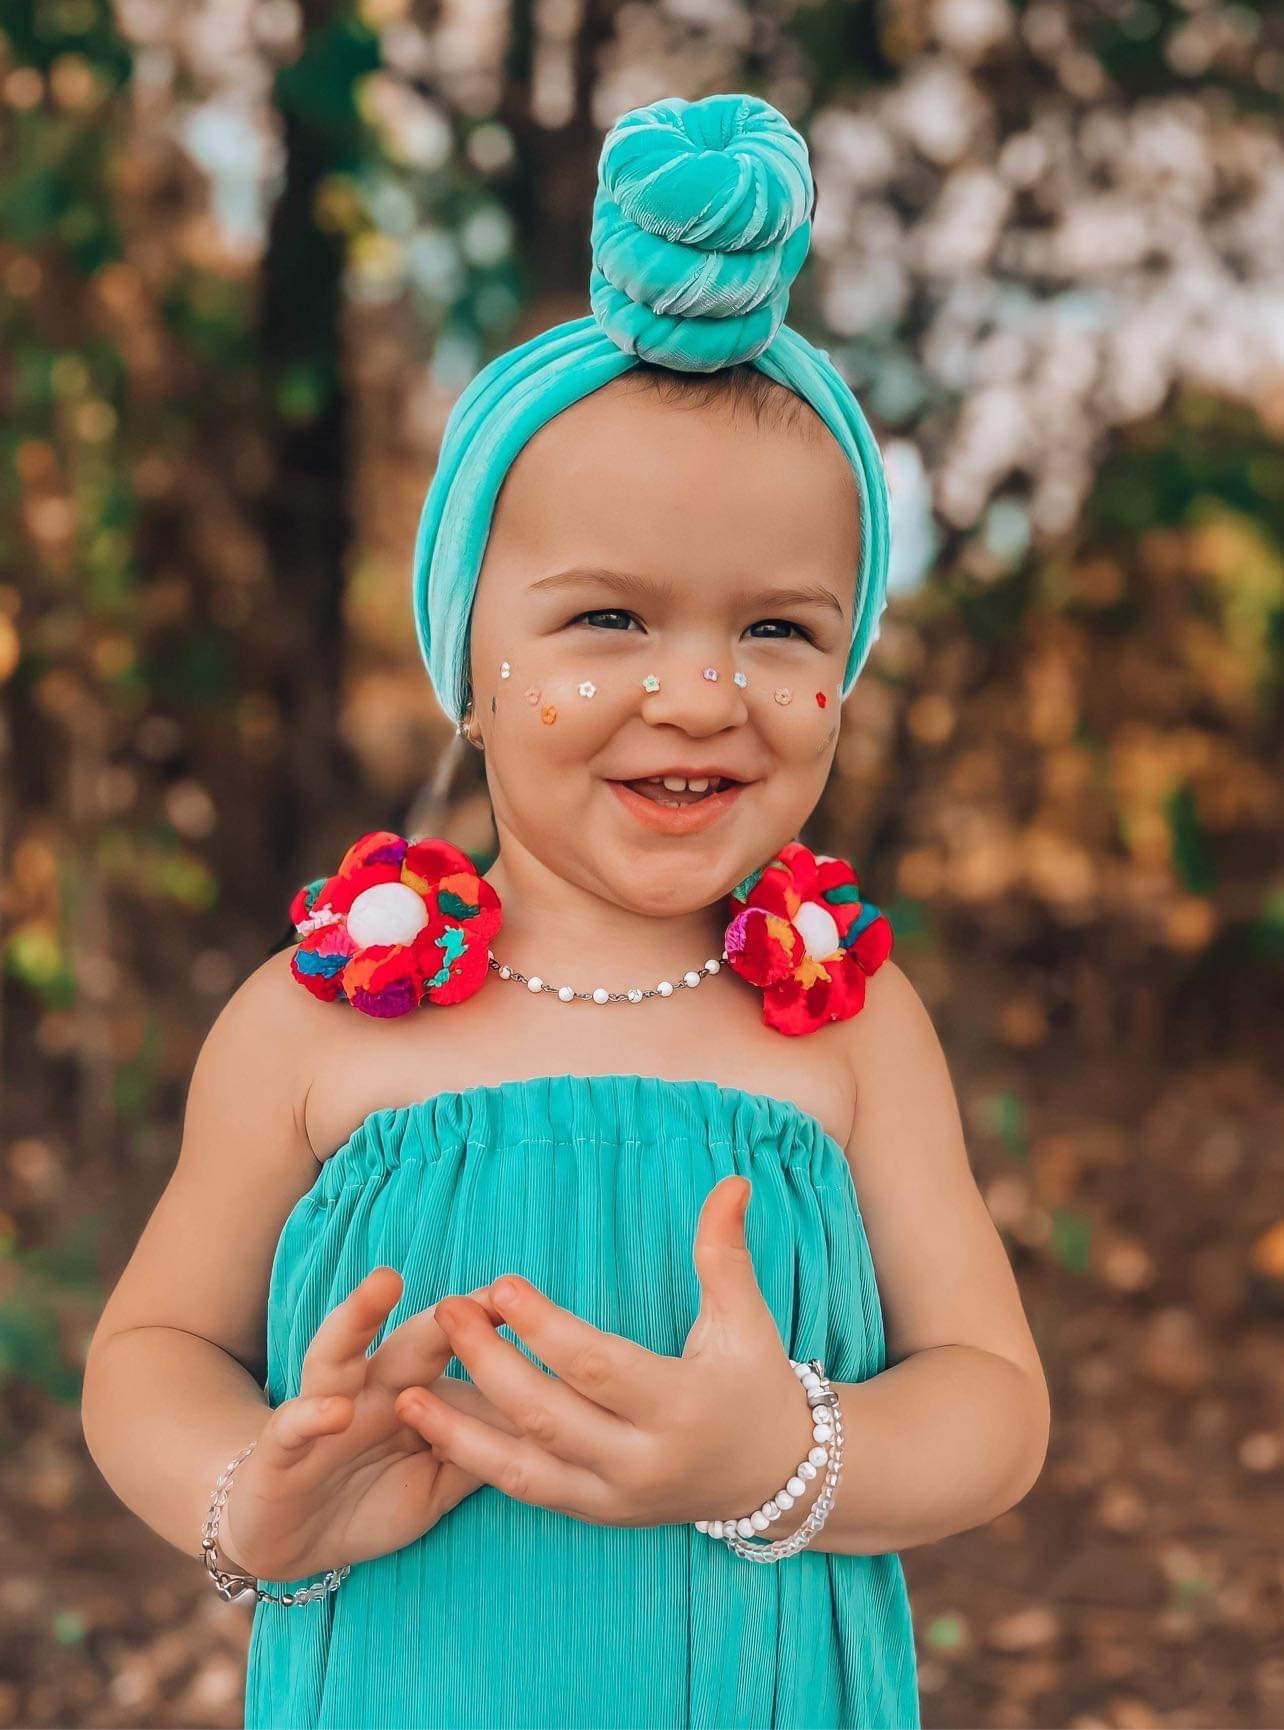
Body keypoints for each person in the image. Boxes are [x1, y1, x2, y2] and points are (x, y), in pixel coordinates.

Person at [80, 93, 1050, 1730]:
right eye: (608, 616)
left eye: (780, 631)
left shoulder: (851, 1024)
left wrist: (786, 1454)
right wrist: (258, 1491)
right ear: (470, 662)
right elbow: (151, 1344)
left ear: (845, 673)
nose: (698, 694)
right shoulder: (314, 1019)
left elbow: (994, 1403)